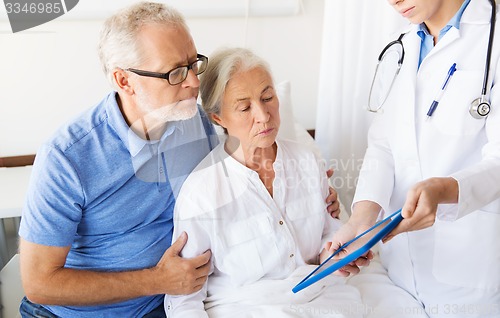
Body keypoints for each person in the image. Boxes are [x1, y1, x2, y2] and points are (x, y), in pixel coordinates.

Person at [17, 3, 342, 317]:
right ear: (124, 80)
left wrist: (313, 200)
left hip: (166, 304)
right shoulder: (67, 158)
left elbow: (245, 174)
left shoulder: (194, 119)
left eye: (192, 63)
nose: (194, 82)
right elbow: (39, 283)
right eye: (175, 73)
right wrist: (156, 280)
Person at [164, 47, 364, 318]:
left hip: (320, 298)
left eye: (268, 97)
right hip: (247, 309)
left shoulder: (307, 160)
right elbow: (184, 298)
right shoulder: (201, 193)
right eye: (245, 107)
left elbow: (327, 235)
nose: (263, 114)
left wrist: (336, 255)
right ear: (218, 118)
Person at [331, 0, 500, 317]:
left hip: (473, 278)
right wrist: (361, 221)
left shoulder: (494, 38)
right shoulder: (401, 47)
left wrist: (444, 190)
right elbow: (383, 145)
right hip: (399, 276)